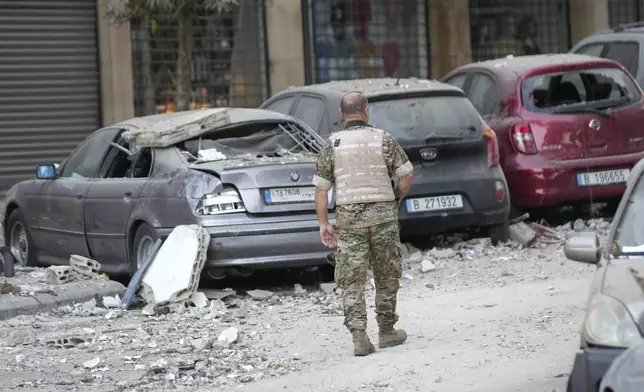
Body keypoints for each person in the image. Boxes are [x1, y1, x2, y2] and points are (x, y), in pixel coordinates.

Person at [312, 91, 414, 356]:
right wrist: (395, 197)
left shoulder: (331, 144)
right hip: (384, 218)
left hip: (349, 221)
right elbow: (406, 174)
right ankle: (387, 331)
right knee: (387, 273)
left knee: (352, 278)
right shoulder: (384, 139)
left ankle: (359, 337)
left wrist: (324, 223)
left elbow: (321, 190)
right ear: (366, 110)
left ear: (341, 114)